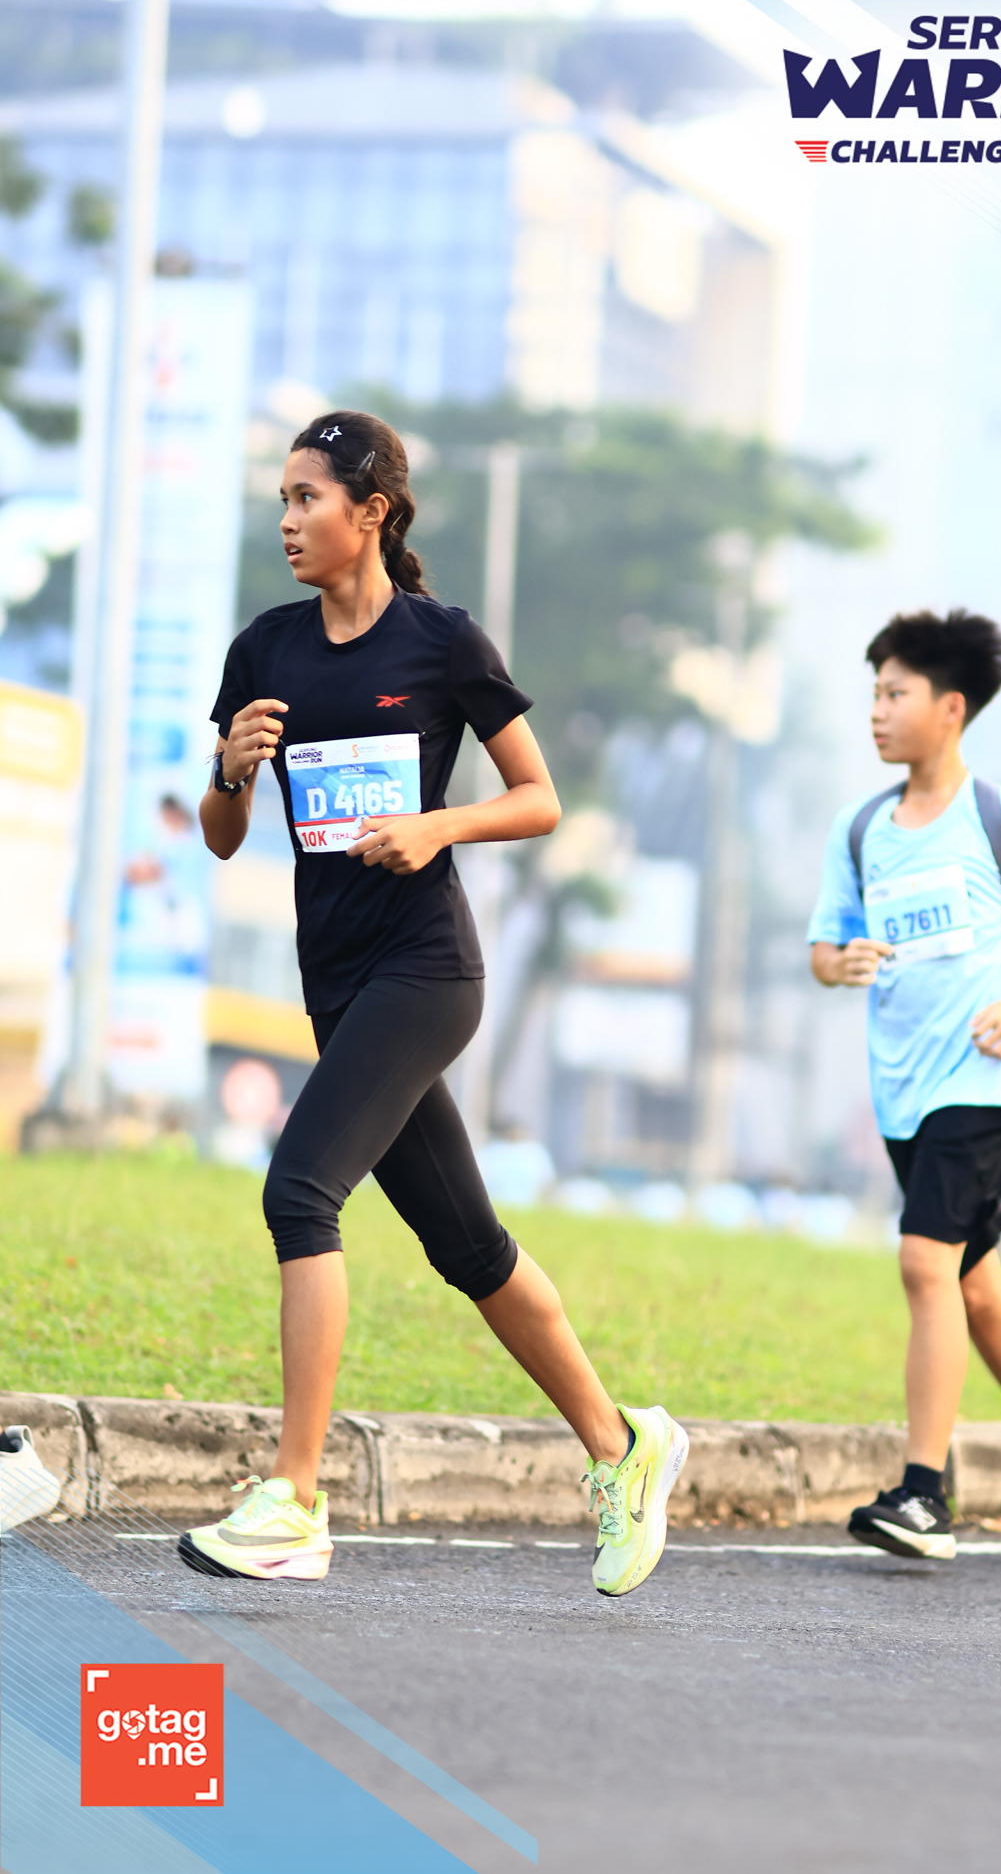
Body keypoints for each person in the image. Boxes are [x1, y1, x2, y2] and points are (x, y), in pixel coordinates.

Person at [183, 410, 687, 1595]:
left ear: (371, 512)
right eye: (282, 499)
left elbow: (538, 797)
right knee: (468, 1246)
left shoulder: (441, 641)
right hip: (335, 981)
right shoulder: (264, 650)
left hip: (425, 971)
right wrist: (227, 771)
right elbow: (220, 838)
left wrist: (435, 826)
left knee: (299, 1190)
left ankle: (295, 1500)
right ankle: (622, 1443)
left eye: (307, 497)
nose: (287, 519)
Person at [807, 610, 1001, 1566]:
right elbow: (823, 948)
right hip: (900, 1089)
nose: (876, 711)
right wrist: (840, 963)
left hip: (981, 1080)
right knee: (973, 1289)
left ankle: (923, 1494)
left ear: (950, 709)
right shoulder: (862, 828)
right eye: (873, 693)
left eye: (895, 694)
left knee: (923, 1263)